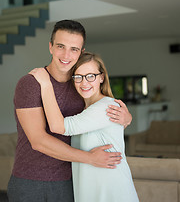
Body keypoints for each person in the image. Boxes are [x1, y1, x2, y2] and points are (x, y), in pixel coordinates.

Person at [7, 20, 132, 202]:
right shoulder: (31, 83)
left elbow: (97, 119)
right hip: (31, 180)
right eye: (60, 46)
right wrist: (90, 158)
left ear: (81, 52)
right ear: (50, 47)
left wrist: (125, 118)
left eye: (74, 49)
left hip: (71, 181)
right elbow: (38, 141)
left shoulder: (82, 86)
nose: (66, 55)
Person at [30, 52, 139, 202]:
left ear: (101, 77)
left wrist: (46, 84)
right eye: (78, 77)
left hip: (112, 191)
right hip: (90, 190)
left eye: (90, 76)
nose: (84, 83)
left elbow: (58, 126)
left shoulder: (106, 107)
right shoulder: (85, 110)